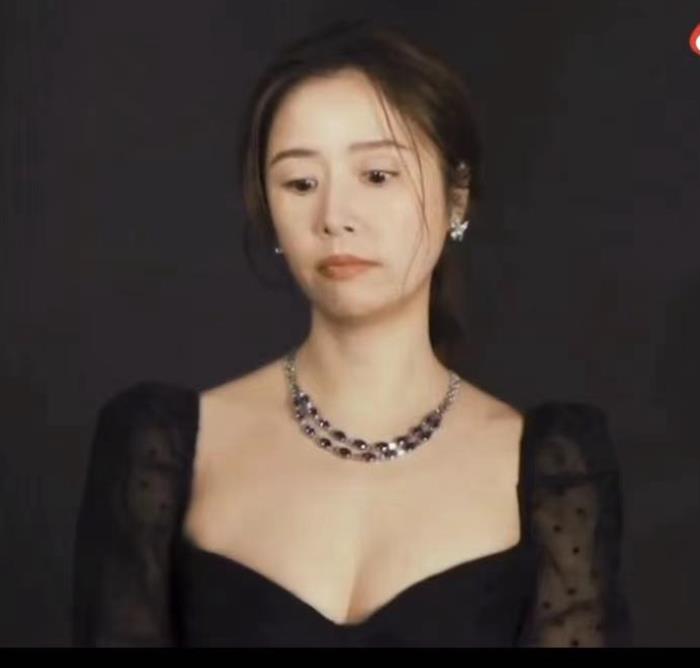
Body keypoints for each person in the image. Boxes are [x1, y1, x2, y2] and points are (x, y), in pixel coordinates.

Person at [71, 18, 631, 647]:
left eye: (377, 176)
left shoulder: (553, 467)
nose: (335, 217)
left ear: (457, 197)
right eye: (300, 183)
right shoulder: (162, 448)